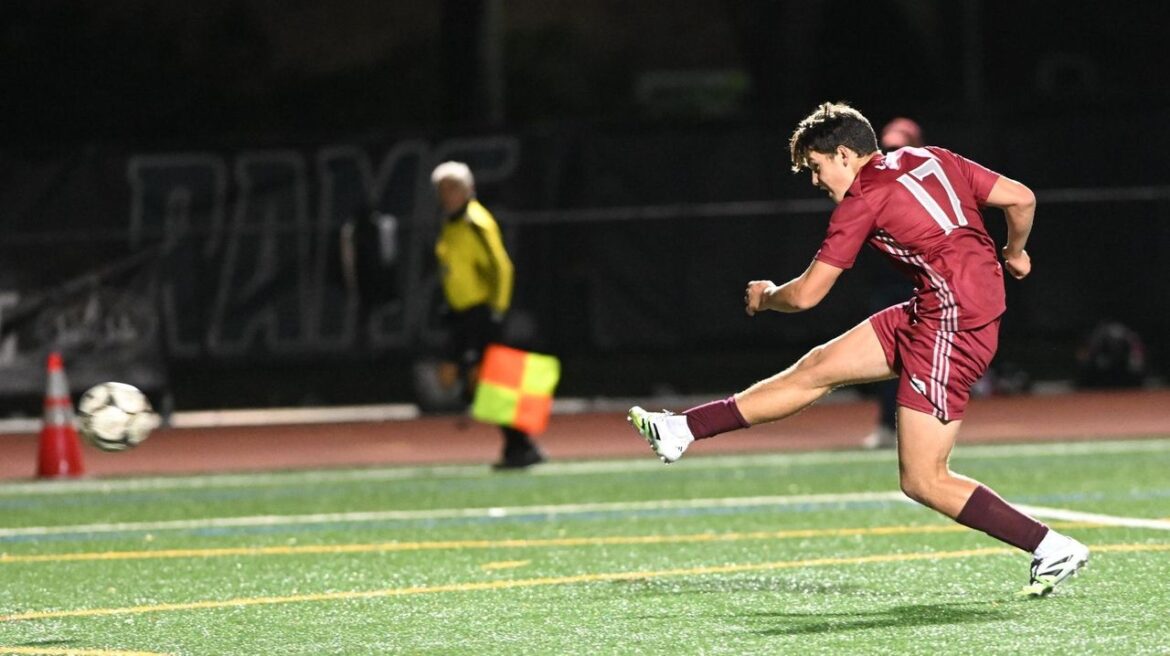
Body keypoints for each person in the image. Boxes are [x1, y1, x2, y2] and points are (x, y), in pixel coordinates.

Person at [628, 102, 1088, 596]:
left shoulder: (864, 197)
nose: (814, 180)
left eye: (815, 167)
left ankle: (1050, 547)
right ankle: (682, 429)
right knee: (817, 368)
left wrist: (765, 297)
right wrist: (1014, 252)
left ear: (844, 155)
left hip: (953, 325)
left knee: (923, 480)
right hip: (937, 309)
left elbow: (806, 295)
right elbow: (1020, 199)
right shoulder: (930, 157)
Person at [431, 161, 545, 469]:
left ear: (469, 189)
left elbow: (502, 267)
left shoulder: (475, 222)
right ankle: (517, 443)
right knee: (455, 377)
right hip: (461, 314)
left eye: (453, 187)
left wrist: (497, 310)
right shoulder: (451, 223)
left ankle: (520, 446)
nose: (447, 195)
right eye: (442, 189)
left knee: (491, 381)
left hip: (481, 314)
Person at [861, 116, 925, 449]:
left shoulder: (931, 186)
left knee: (926, 363)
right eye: (889, 149)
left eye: (901, 148)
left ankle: (926, 430)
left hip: (925, 289)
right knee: (888, 363)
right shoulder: (873, 189)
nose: (893, 155)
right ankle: (888, 424)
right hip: (888, 290)